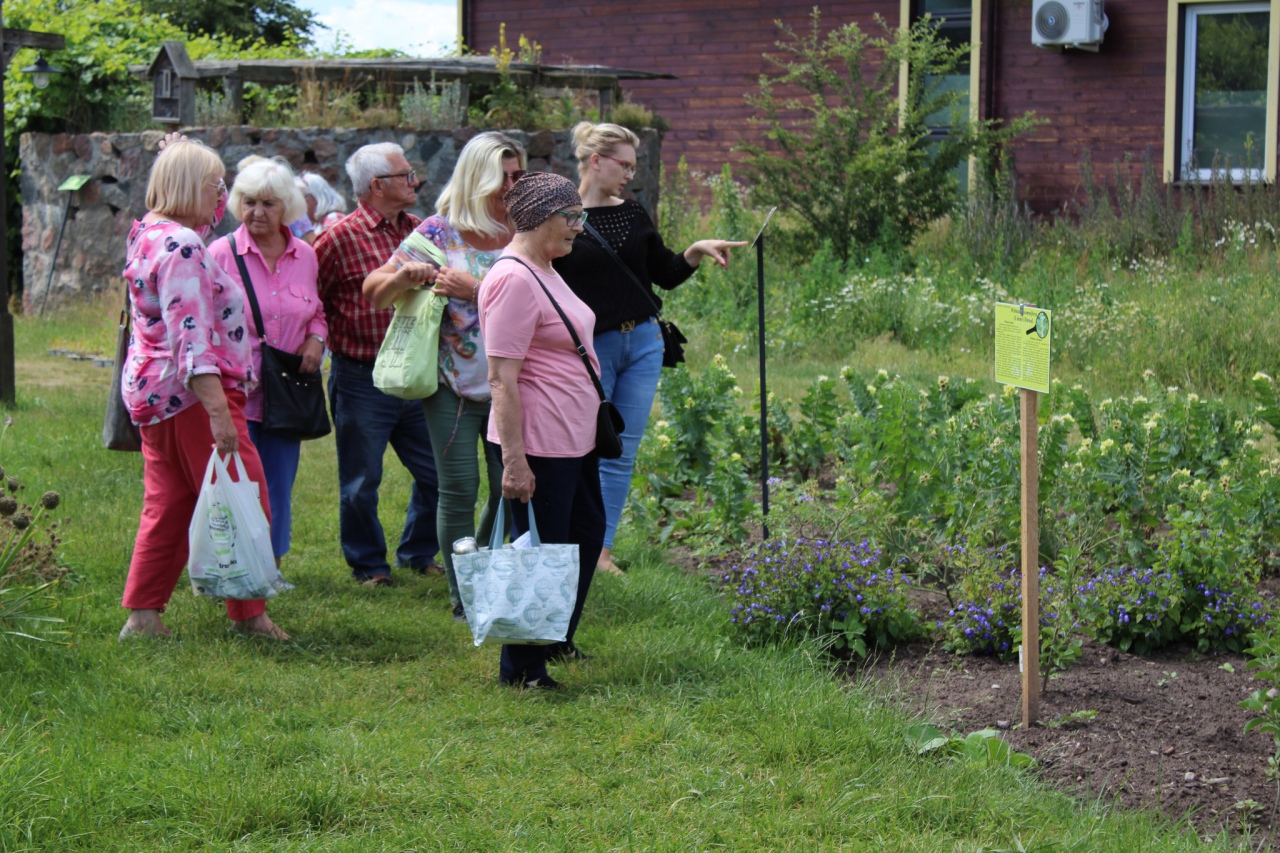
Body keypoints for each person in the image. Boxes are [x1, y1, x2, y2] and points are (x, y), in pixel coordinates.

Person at [554, 122, 746, 575]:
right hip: (589, 349)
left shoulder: (634, 213)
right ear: (596, 160)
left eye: (634, 167)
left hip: (643, 342)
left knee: (621, 449)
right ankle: (566, 539)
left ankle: (600, 550)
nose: (629, 175)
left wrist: (696, 251)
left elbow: (664, 273)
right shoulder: (560, 216)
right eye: (624, 165)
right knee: (580, 446)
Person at [117, 139, 288, 641]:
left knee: (167, 502)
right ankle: (250, 616)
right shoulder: (184, 246)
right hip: (196, 395)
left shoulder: (148, 231)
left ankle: (143, 616)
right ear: (194, 187)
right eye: (217, 185)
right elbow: (190, 335)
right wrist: (218, 411)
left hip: (153, 393)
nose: (223, 195)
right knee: (243, 496)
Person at [363, 132, 524, 620]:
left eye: (520, 175)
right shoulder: (439, 232)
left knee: (508, 487)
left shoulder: (526, 228)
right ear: (479, 178)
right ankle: (464, 595)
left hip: (512, 386)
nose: (515, 186)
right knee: (458, 488)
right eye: (506, 177)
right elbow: (375, 291)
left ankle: (483, 566)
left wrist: (475, 289)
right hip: (452, 386)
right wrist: (403, 277)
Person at [479, 171, 604, 690]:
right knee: (539, 551)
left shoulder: (546, 267)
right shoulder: (512, 278)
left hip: (576, 437)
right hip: (539, 444)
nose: (579, 227)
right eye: (570, 217)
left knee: (584, 537)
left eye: (580, 216)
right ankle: (522, 669)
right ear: (537, 218)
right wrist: (515, 461)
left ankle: (552, 638)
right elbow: (501, 380)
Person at [314, 142, 442, 586]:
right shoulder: (337, 239)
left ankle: (418, 550)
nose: (415, 181)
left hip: (417, 371)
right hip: (361, 377)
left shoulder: (422, 231)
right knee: (361, 480)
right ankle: (369, 565)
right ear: (377, 186)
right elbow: (314, 300)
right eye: (406, 175)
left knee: (437, 472)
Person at [208, 158, 327, 588]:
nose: (257, 212)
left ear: (288, 208)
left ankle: (271, 568)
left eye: (269, 204)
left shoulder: (306, 256)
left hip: (286, 391)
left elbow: (316, 311)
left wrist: (316, 339)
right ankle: (231, 567)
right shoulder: (219, 254)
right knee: (233, 484)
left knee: (277, 484)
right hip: (235, 392)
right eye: (249, 202)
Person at [299, 172, 348, 239]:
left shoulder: (333, 219)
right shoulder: (318, 224)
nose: (300, 205)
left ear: (315, 196)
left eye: (302, 198)